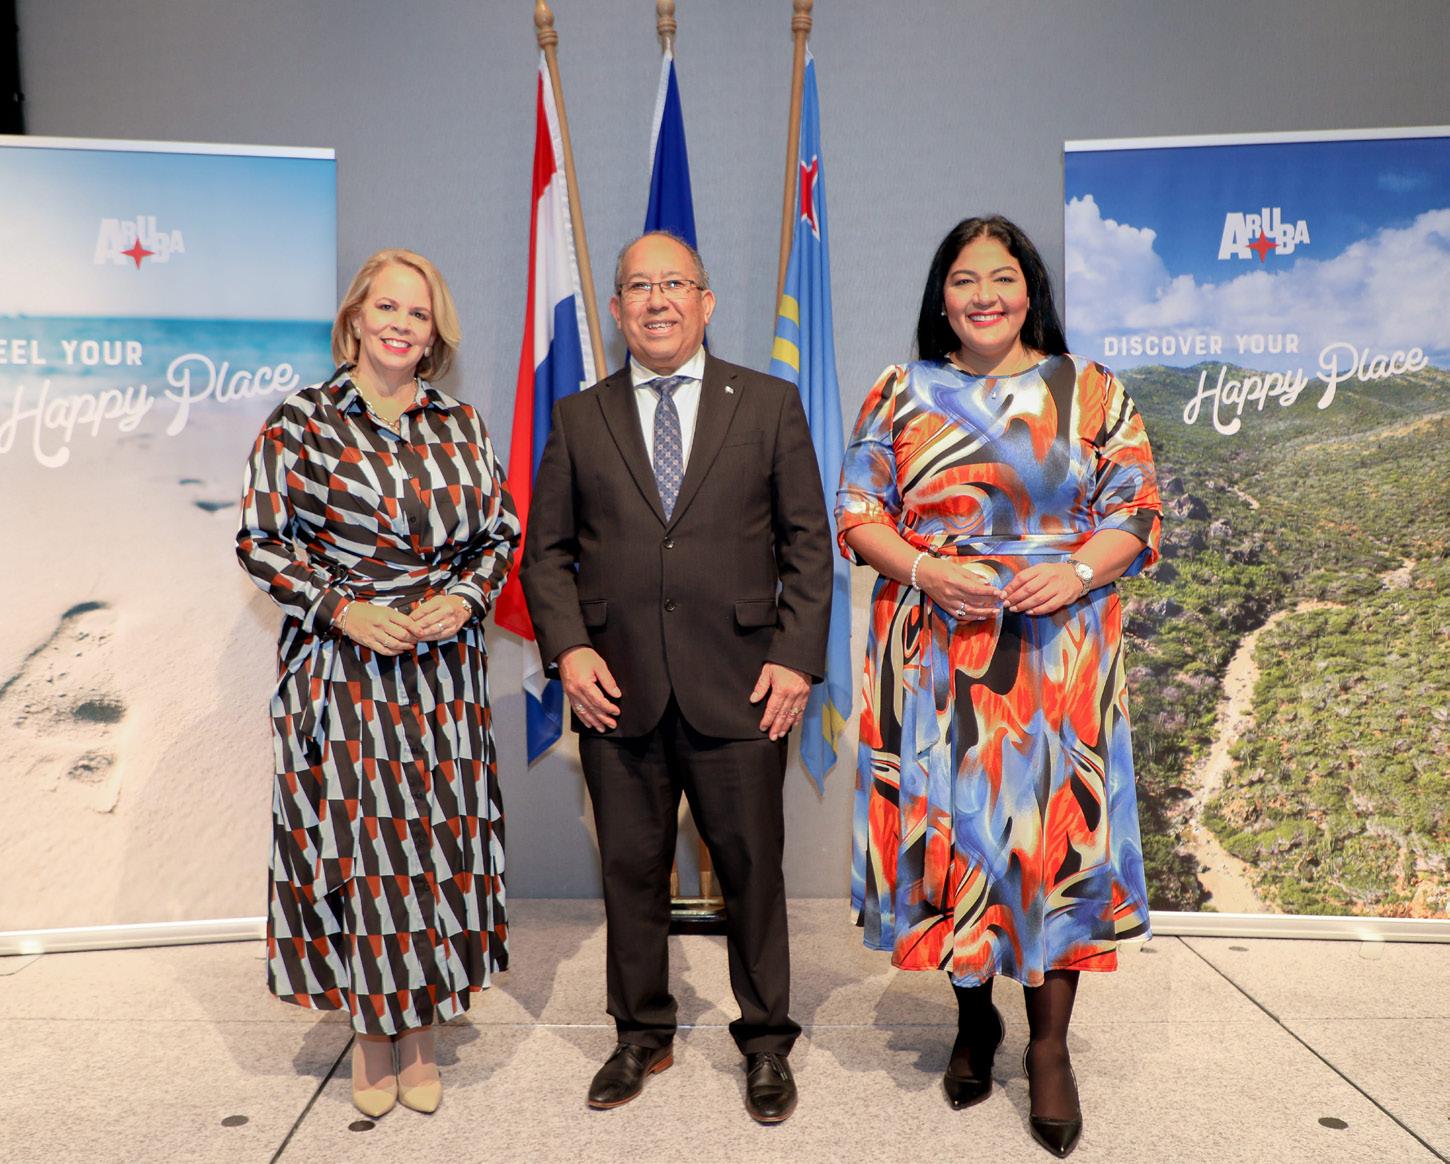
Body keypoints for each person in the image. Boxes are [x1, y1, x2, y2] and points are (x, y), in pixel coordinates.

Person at [836, 216, 1162, 1158]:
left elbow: (1137, 509)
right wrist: (925, 570)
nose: (984, 295)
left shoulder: (1090, 389)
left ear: (1031, 290)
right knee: (962, 839)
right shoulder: (900, 391)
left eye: (1003, 277)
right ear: (941, 298)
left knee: (1053, 846)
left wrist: (1078, 572)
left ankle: (1048, 1048)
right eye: (965, 279)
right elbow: (857, 512)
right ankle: (974, 1018)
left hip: (1058, 654)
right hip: (935, 656)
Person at [519, 231, 833, 1124]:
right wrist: (570, 650)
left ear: (706, 301)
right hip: (614, 690)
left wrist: (794, 657)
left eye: (675, 284)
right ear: (617, 310)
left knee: (752, 871)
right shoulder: (580, 417)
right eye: (638, 287)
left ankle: (766, 1042)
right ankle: (640, 1033)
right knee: (630, 871)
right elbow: (546, 555)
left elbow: (808, 547)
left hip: (743, 685)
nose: (657, 300)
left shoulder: (768, 403)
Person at [236, 248, 519, 1118]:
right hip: (344, 672)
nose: (401, 324)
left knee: (435, 850)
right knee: (361, 853)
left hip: (441, 676)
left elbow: (498, 534)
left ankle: (423, 1030)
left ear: (436, 334)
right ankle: (370, 1035)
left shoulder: (460, 423)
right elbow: (260, 542)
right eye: (387, 307)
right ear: (356, 317)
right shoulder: (300, 421)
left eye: (418, 314)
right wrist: (342, 610)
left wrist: (464, 599)